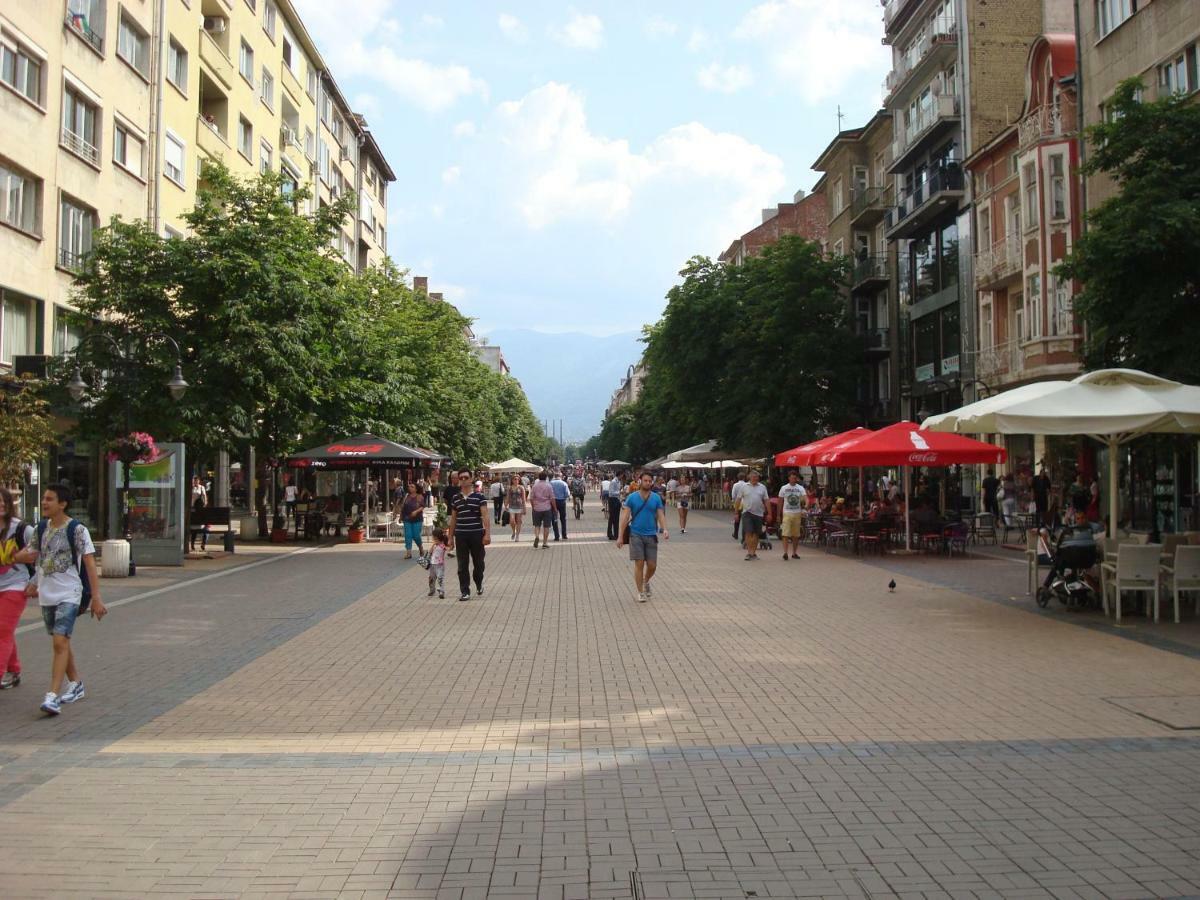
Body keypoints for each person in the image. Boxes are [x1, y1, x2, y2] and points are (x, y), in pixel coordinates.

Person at [20, 484, 106, 716]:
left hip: (70, 594)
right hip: (47, 595)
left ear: (63, 504)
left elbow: (89, 563)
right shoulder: (41, 529)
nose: (45, 503)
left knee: (59, 642)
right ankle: (76, 683)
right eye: (44, 499)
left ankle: (52, 696)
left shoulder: (77, 530)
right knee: (62, 642)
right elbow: (38, 557)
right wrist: (31, 579)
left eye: (50, 499)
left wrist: (96, 598)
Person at [616, 471, 668, 602]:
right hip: (636, 534)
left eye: (650, 481)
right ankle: (640, 592)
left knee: (652, 565)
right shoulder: (632, 497)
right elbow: (625, 517)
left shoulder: (656, 498)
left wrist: (664, 528)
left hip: (651, 535)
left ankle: (646, 581)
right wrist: (620, 536)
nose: (648, 483)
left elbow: (661, 514)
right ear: (640, 481)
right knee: (639, 563)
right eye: (645, 480)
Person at [0, 488, 33, 691]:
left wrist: (36, 580)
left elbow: (42, 554)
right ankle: (14, 669)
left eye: (4, 501)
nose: (2, 504)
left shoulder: (21, 529)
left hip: (16, 584)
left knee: (2, 629)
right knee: (5, 630)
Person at [447, 470, 489, 601]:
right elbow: (453, 519)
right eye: (461, 478)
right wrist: (450, 537)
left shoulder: (479, 497)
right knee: (462, 565)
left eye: (466, 477)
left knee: (479, 563)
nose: (463, 480)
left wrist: (487, 534)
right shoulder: (455, 498)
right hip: (461, 535)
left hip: (476, 534)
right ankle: (465, 591)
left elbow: (485, 516)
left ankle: (479, 582)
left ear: (471, 479)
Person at [738, 470, 770, 561]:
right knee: (748, 532)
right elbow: (738, 499)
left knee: (756, 533)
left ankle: (753, 552)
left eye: (757, 477)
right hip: (747, 512)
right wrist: (736, 512)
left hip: (759, 513)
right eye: (754, 477)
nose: (755, 478)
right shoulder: (744, 487)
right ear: (749, 477)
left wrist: (769, 513)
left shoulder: (762, 487)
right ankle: (749, 552)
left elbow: (766, 500)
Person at [778, 472, 807, 560]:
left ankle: (794, 552)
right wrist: (778, 515)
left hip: (797, 513)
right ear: (789, 478)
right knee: (785, 533)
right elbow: (780, 501)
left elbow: (804, 498)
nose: (793, 479)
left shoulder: (800, 488)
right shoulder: (784, 488)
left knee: (796, 534)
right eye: (792, 478)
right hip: (787, 512)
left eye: (795, 478)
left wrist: (804, 507)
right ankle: (785, 552)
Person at [398, 482, 425, 560]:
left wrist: (416, 511)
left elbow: (422, 507)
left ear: (416, 489)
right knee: (408, 535)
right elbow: (403, 507)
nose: (410, 488)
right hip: (407, 519)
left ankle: (420, 547)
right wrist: (400, 517)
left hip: (417, 519)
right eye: (409, 486)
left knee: (416, 535)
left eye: (412, 487)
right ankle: (408, 552)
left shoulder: (420, 496)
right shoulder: (406, 496)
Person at [529, 470, 556, 549]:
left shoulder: (535, 486)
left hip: (537, 508)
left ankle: (537, 536)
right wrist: (555, 508)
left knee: (537, 525)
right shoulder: (549, 486)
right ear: (546, 477)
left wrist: (533, 506)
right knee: (546, 526)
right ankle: (544, 543)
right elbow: (552, 498)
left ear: (539, 477)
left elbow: (531, 498)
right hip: (547, 508)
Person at [189, 476, 210, 552]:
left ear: (199, 481)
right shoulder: (191, 487)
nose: (195, 482)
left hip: (198, 508)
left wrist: (204, 504)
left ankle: (202, 544)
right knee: (203, 529)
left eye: (197, 481)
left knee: (195, 528)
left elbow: (204, 496)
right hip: (193, 507)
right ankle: (193, 544)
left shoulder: (201, 488)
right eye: (194, 481)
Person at [427, 528, 448, 599]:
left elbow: (447, 548)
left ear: (437, 537)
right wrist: (433, 545)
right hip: (432, 564)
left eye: (433, 537)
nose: (433, 539)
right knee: (431, 578)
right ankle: (432, 590)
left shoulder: (442, 545)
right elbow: (429, 552)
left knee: (440, 578)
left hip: (440, 565)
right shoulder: (434, 545)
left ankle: (442, 591)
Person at [549, 470, 570, 540]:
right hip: (562, 502)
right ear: (560, 476)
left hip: (553, 502)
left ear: (554, 476)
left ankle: (556, 536)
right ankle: (564, 535)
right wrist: (564, 497)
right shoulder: (564, 483)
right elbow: (567, 494)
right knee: (563, 519)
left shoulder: (550, 483)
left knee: (554, 518)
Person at [506, 474, 527, 540]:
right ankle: (513, 531)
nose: (516, 480)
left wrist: (524, 508)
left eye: (518, 479)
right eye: (515, 479)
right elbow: (508, 497)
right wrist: (506, 505)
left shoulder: (521, 487)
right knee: (512, 520)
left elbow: (524, 499)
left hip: (519, 506)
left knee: (519, 521)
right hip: (511, 506)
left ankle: (517, 536)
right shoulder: (509, 487)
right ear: (512, 480)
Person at [730, 472, 748, 540]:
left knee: (737, 519)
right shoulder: (746, 485)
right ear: (744, 478)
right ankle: (744, 537)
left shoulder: (735, 485)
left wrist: (734, 501)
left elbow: (733, 495)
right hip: (745, 503)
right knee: (745, 521)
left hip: (738, 504)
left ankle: (735, 533)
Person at [606, 474, 622, 541]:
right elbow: (611, 492)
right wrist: (620, 492)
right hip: (612, 500)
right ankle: (610, 534)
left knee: (617, 518)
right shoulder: (613, 482)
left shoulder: (618, 481)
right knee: (612, 517)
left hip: (617, 500)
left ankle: (616, 534)